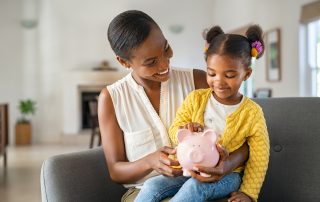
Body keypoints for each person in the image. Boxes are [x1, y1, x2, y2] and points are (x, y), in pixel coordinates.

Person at [98, 10, 250, 202]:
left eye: (166, 48)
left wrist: (227, 164)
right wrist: (149, 162)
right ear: (124, 62)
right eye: (151, 62)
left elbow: (246, 138)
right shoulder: (112, 98)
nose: (164, 64)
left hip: (202, 184)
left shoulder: (198, 80)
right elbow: (115, 171)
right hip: (144, 191)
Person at [135, 25, 270, 202]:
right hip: (190, 168)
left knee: (194, 187)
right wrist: (185, 130)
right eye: (212, 73)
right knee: (152, 186)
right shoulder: (196, 99)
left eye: (229, 75)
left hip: (228, 176)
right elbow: (175, 128)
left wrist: (249, 193)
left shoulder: (252, 113)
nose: (218, 82)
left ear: (247, 74)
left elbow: (260, 156)